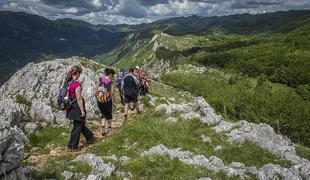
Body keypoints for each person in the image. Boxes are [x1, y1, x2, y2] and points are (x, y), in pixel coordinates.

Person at [66, 66, 94, 152]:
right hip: (76, 106)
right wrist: (82, 110)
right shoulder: (76, 84)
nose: (80, 75)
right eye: (79, 73)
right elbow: (79, 98)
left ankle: (90, 137)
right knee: (78, 125)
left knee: (80, 123)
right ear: (77, 73)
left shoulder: (67, 82)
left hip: (70, 105)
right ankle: (72, 146)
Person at [96, 68, 115, 136]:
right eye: (112, 75)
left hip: (100, 100)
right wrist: (113, 101)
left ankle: (103, 128)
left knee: (103, 114)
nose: (112, 76)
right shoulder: (110, 82)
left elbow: (97, 88)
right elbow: (112, 93)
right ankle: (109, 128)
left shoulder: (100, 79)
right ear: (110, 74)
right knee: (109, 114)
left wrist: (98, 97)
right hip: (107, 100)